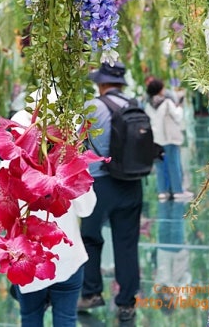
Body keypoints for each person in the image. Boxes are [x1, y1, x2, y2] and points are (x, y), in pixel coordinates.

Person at [10, 109, 97, 327]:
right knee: (66, 320)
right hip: (68, 259)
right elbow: (87, 209)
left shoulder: (10, 167)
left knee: (30, 319)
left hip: (26, 260)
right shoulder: (68, 168)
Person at [78, 62, 142, 322]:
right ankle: (126, 302)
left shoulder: (93, 107)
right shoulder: (136, 103)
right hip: (131, 182)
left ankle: (92, 293)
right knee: (127, 243)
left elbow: (82, 142)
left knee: (90, 238)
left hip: (100, 183)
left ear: (101, 84)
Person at [145, 77, 192, 201]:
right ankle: (177, 190)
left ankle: (163, 191)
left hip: (155, 139)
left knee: (160, 165)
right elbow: (177, 116)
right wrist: (180, 107)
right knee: (174, 163)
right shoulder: (166, 102)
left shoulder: (148, 104)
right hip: (169, 138)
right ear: (160, 90)